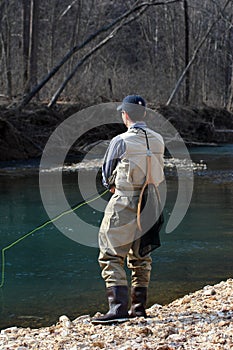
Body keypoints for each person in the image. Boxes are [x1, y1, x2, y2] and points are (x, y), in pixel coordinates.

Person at [92, 95, 164, 324]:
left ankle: (118, 310)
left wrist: (112, 186)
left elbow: (106, 174)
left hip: (124, 202)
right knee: (141, 255)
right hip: (152, 202)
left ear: (125, 114)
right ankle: (139, 308)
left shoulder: (120, 140)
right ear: (144, 114)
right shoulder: (159, 139)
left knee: (110, 254)